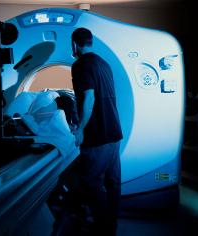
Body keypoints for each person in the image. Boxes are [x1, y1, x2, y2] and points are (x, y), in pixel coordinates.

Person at [71, 27, 123, 235]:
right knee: (112, 182)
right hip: (114, 132)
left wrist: (80, 129)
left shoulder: (80, 65)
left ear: (74, 44)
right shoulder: (104, 64)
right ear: (91, 42)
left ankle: (100, 228)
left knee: (91, 183)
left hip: (97, 135)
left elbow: (89, 98)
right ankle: (111, 226)